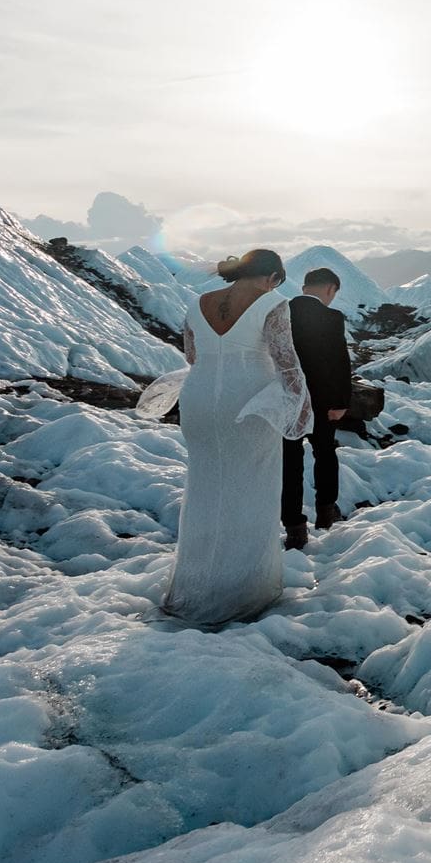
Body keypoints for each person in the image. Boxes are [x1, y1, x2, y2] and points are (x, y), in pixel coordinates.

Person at [137, 249, 313, 625]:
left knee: (204, 487)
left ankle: (195, 582)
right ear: (271, 277)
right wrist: (300, 404)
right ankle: (242, 591)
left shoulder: (198, 302)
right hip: (248, 397)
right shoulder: (273, 303)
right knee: (253, 488)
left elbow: (191, 355)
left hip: (199, 400)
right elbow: (286, 360)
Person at [283, 267, 352, 549]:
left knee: (290, 461)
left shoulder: (282, 311)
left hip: (287, 398)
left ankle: (294, 526)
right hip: (322, 401)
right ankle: (325, 512)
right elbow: (339, 361)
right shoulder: (331, 317)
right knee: (324, 453)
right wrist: (341, 402)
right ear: (330, 289)